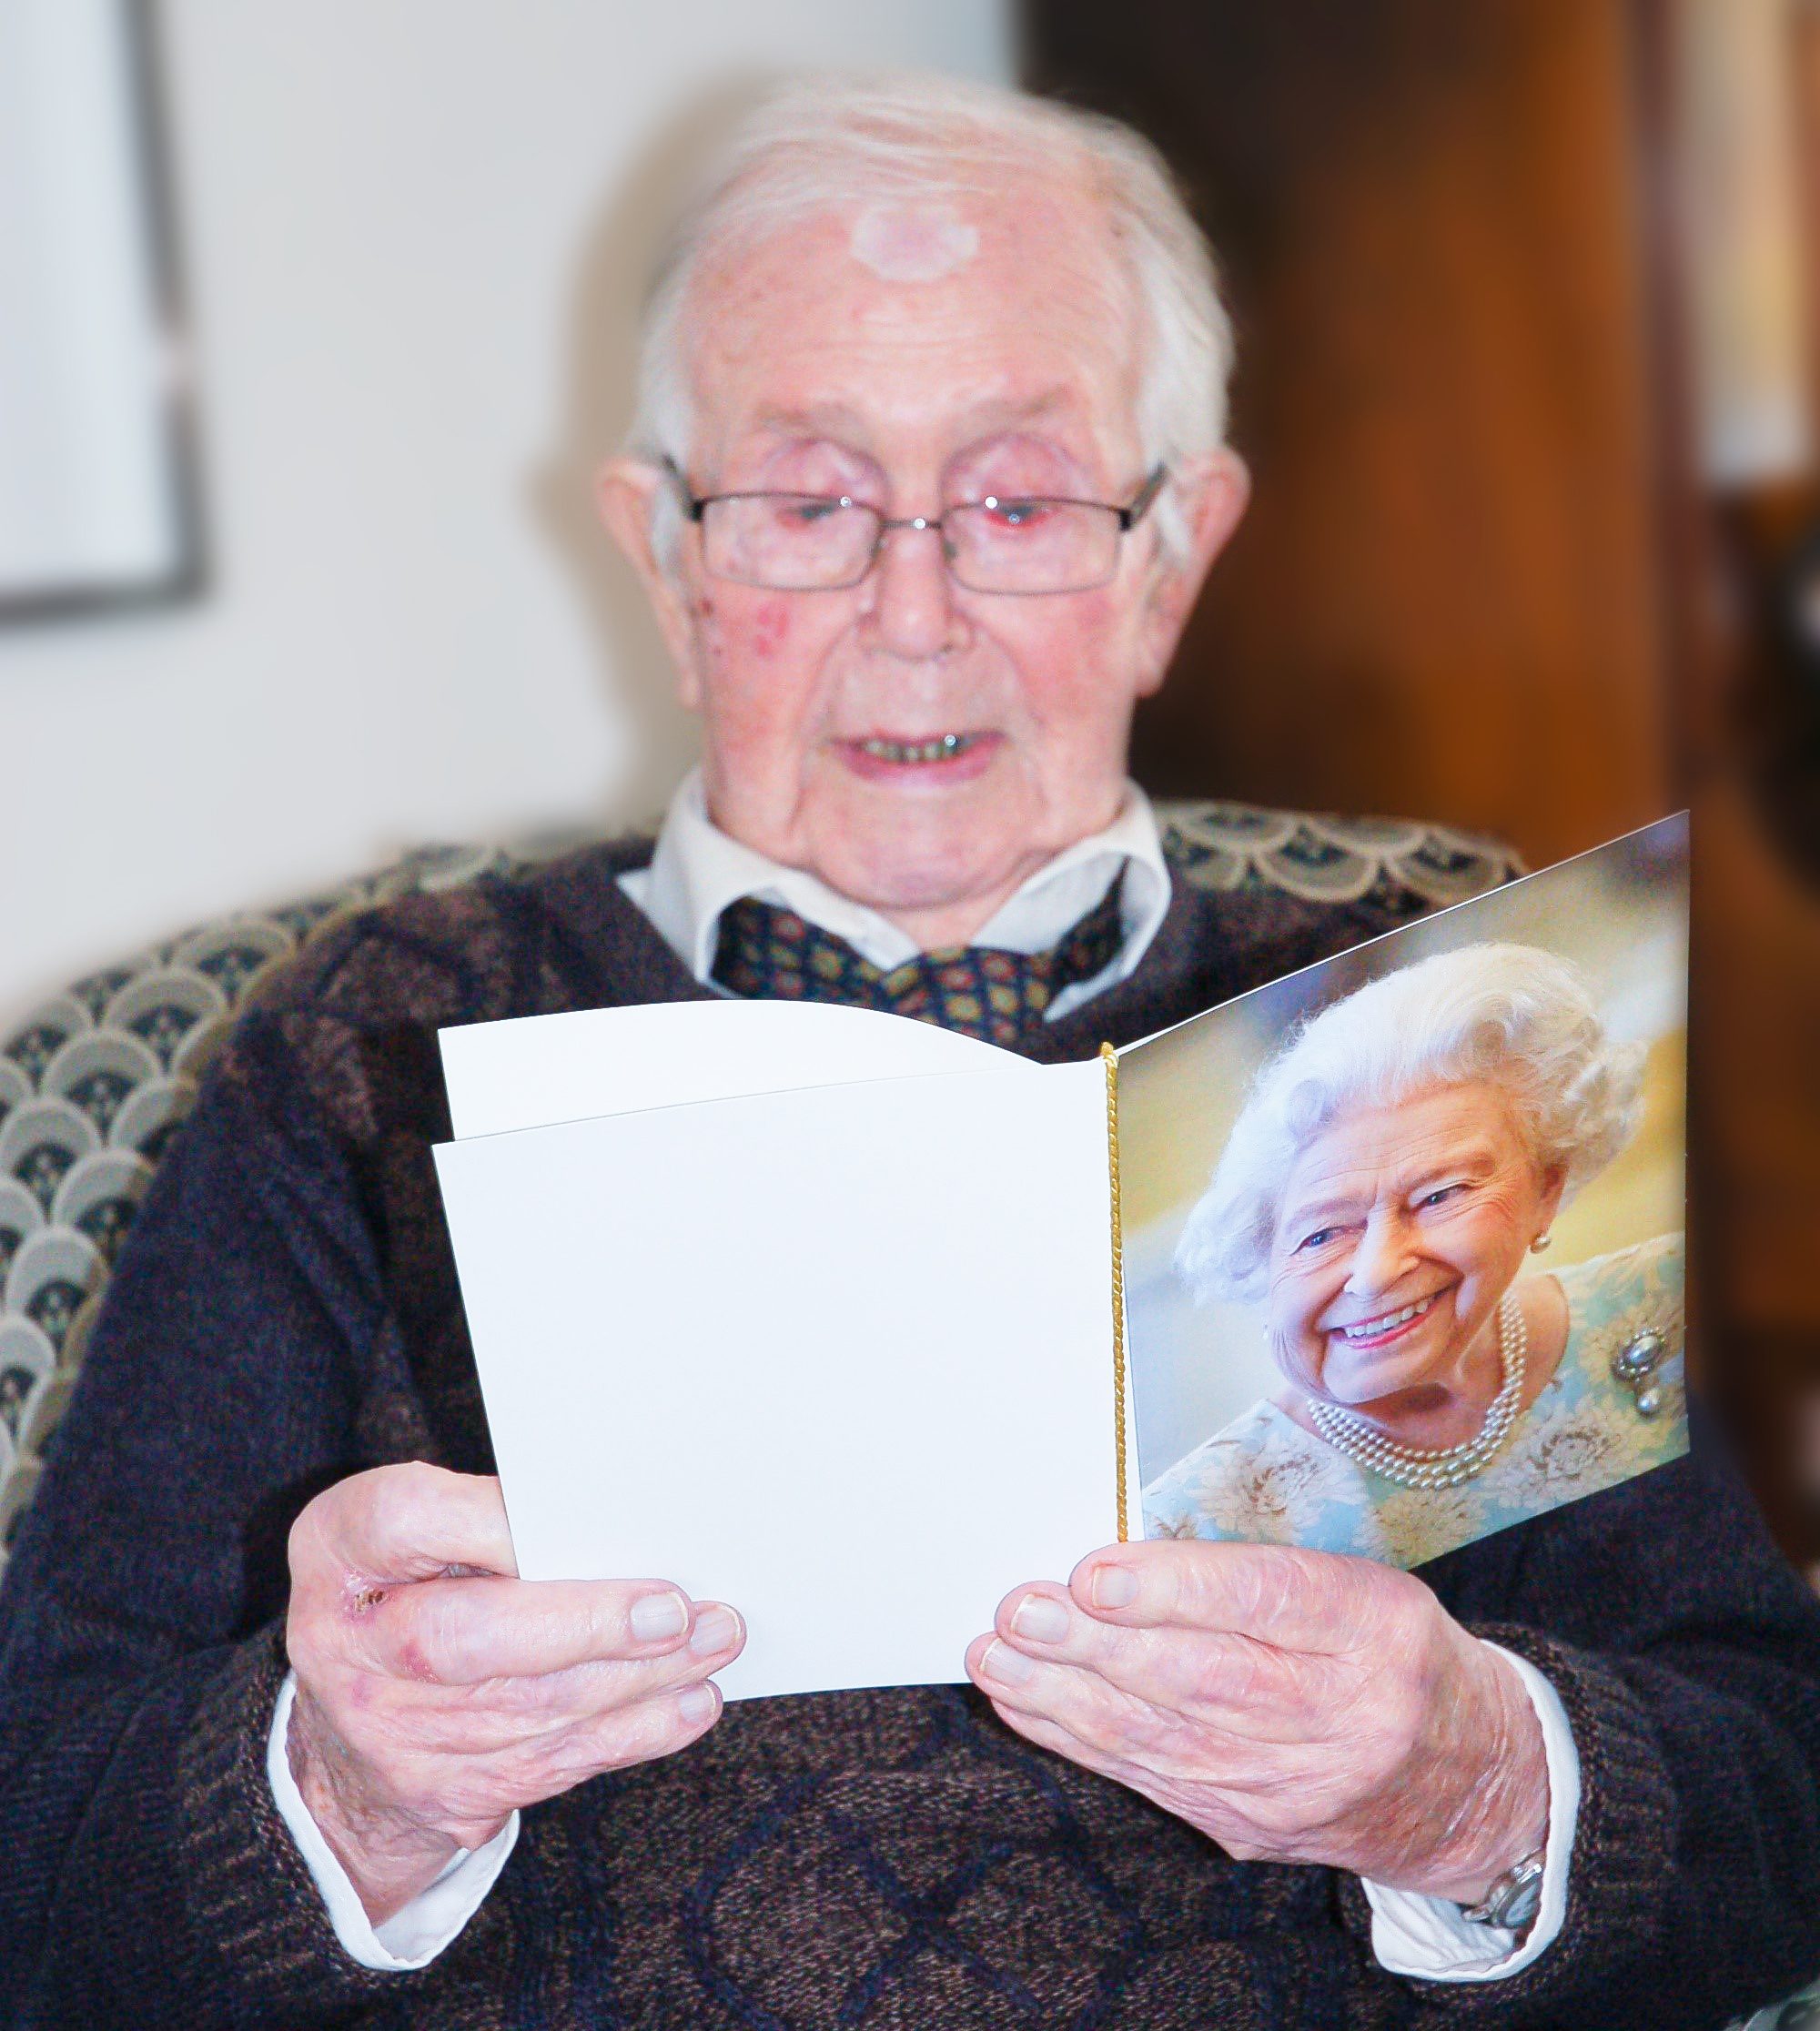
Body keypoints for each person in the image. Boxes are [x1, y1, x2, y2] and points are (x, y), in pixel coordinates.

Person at [2, 70, 1818, 2031]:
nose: (916, 610)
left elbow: (1775, 1783)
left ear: (1173, 556)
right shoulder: (370, 1046)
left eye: (1020, 500)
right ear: (668, 560)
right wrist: (339, 1792)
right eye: (808, 503)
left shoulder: (1438, 1018)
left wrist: (1471, 1782)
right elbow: (37, 1859)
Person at [1145, 945, 1688, 1567]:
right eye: (1323, 1234)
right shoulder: (1191, 1531)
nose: (1376, 1272)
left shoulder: (1672, 1306)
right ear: (1264, 1264)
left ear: (1546, 1188)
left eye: (1440, 1195)